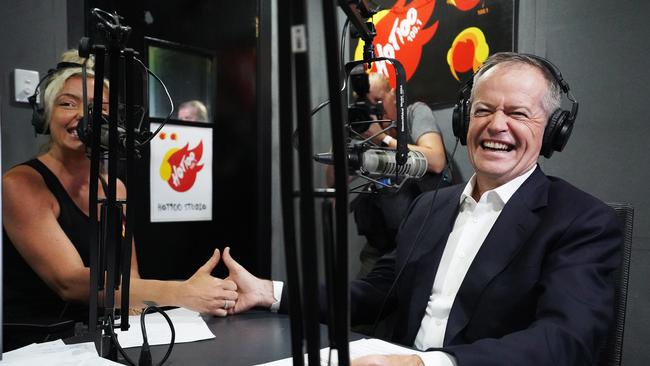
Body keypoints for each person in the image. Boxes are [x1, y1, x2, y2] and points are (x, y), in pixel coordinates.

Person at [220, 52, 622, 366]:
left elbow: (565, 341)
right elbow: (375, 293)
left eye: (518, 113)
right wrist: (270, 292)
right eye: (483, 110)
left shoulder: (582, 221)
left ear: (553, 131)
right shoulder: (430, 206)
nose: (496, 125)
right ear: (465, 119)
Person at [2, 50, 236, 350]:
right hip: (41, 344)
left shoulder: (115, 188)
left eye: (96, 108)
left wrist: (143, 324)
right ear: (45, 114)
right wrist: (180, 293)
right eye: (67, 104)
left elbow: (129, 275)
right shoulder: (20, 184)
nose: (81, 117)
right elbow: (69, 281)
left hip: (104, 335)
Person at [330, 71, 451, 278]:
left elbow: (437, 161)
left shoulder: (415, 113)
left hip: (423, 238)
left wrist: (383, 140)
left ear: (393, 95)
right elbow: (334, 182)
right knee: (362, 299)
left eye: (378, 101)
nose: (375, 109)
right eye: (369, 104)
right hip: (382, 242)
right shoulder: (366, 131)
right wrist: (344, 142)